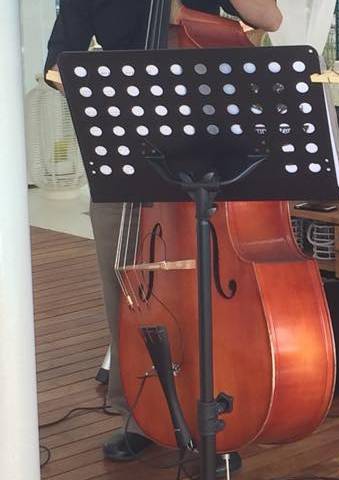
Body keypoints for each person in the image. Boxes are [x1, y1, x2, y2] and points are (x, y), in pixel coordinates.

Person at [44, 0, 282, 476]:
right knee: (126, 276)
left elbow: (269, 18)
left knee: (206, 285)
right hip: (126, 144)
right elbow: (58, 65)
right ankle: (139, 409)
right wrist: (102, 93)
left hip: (206, 144)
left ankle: (218, 410)